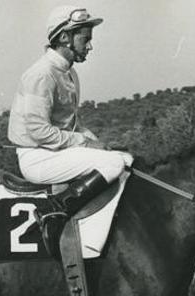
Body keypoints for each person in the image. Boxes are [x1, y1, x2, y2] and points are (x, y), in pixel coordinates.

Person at [7, 5, 133, 250]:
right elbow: (38, 131)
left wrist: (97, 142)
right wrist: (86, 143)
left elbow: (74, 125)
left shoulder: (69, 73)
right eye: (85, 39)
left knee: (124, 157)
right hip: (38, 158)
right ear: (64, 37)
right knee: (114, 163)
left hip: (56, 152)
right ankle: (54, 212)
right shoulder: (42, 74)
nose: (89, 46)